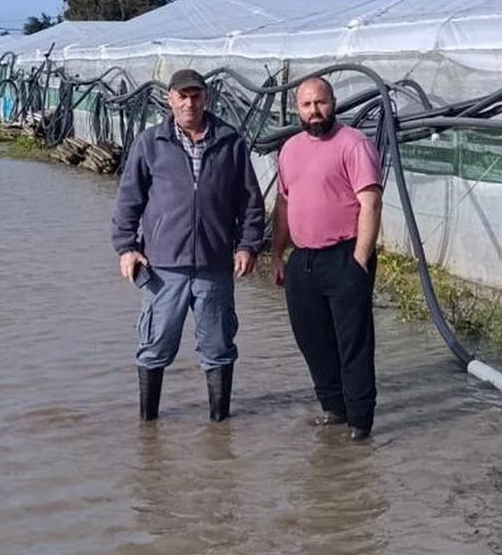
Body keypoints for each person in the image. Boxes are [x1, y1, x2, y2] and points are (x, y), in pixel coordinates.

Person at [112, 68, 266, 423]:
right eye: (181, 96)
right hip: (162, 268)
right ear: (169, 99)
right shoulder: (150, 143)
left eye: (195, 95)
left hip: (214, 266)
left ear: (205, 98)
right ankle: (148, 426)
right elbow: (128, 201)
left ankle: (219, 423)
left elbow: (250, 202)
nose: (189, 103)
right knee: (154, 346)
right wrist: (126, 247)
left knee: (218, 348)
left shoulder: (230, 142)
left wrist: (247, 246)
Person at [271, 76, 383, 440]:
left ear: (333, 103)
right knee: (312, 340)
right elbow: (284, 203)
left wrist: (360, 260)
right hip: (303, 259)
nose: (314, 111)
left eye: (321, 103)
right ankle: (334, 407)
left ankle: (360, 422)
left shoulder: (353, 145)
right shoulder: (289, 149)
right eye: (306, 104)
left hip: (344, 256)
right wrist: (277, 254)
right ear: (297, 109)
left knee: (353, 343)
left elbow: (370, 202)